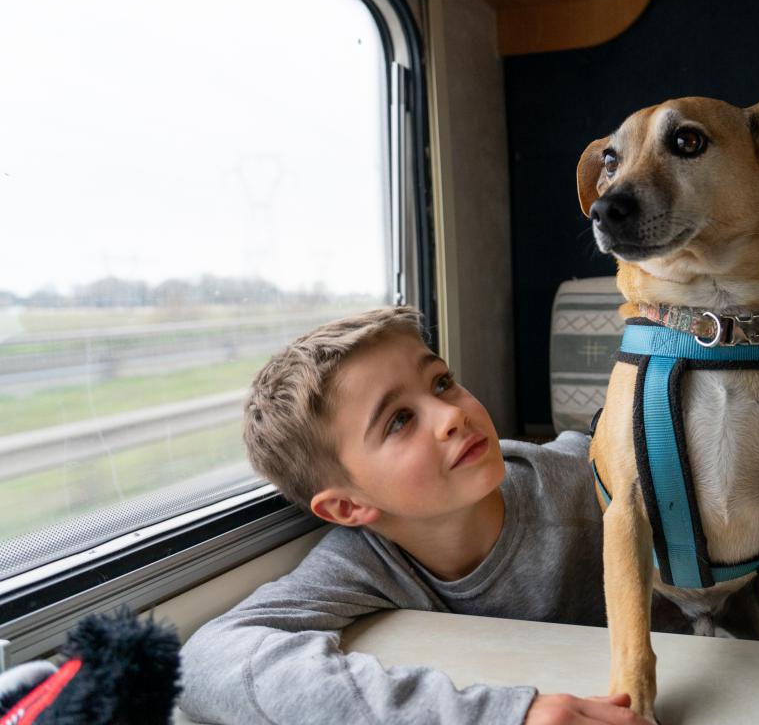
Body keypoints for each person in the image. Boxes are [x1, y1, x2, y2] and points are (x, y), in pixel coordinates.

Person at [178, 307, 646, 724]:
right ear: (348, 506)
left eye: (442, 382)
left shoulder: (588, 477)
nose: (450, 415)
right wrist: (504, 714)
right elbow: (202, 663)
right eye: (399, 420)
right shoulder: (365, 562)